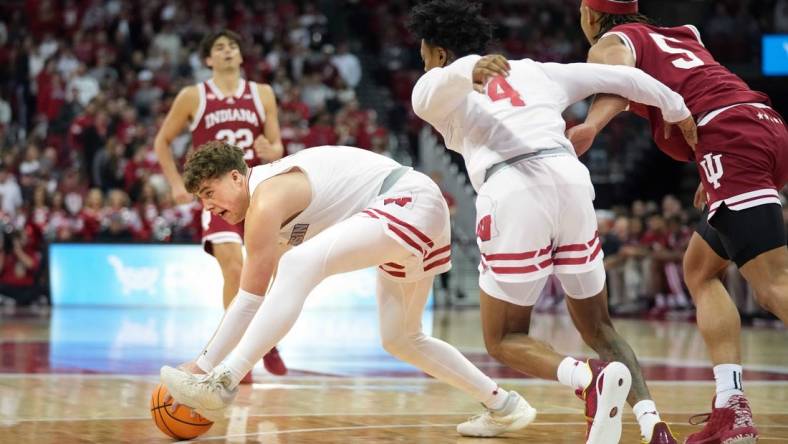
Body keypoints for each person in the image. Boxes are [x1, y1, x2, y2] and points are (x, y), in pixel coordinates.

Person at [407, 1, 698, 442]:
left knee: (503, 337)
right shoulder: (540, 70)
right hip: (572, 182)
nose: (422, 59)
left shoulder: (437, 84)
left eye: (424, 51)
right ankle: (653, 426)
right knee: (600, 326)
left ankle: (589, 379)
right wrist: (679, 112)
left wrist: (467, 73)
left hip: (514, 187)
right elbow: (631, 80)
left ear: (438, 53)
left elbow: (434, 88)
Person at [160, 142, 536, 437]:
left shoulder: (266, 198)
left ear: (237, 177)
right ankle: (503, 405)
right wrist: (200, 366)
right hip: (408, 212)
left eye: (210, 193)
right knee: (402, 339)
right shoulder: (269, 207)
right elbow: (265, 300)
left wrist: (203, 367)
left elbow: (248, 299)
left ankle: (223, 381)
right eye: (201, 200)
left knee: (296, 264)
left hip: (405, 200)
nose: (209, 207)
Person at [571, 1, 788, 442]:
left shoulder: (613, 42)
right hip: (756, 127)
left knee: (773, 285)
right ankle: (731, 405)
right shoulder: (682, 33)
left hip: (732, 138)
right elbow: (704, 85)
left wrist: (591, 125)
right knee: (700, 269)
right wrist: (709, 168)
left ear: (591, 15)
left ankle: (733, 409)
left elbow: (618, 83)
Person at [154, 30, 287, 378]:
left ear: (241, 56)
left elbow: (277, 147)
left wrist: (270, 151)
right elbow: (162, 142)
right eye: (219, 47)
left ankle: (265, 340)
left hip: (257, 190)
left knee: (267, 273)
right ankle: (236, 358)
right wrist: (174, 184)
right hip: (217, 195)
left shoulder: (262, 93)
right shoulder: (192, 96)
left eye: (233, 46)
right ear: (208, 60)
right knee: (233, 268)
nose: (227, 51)